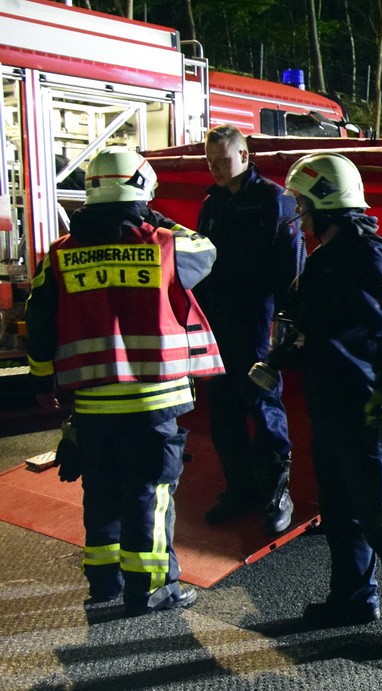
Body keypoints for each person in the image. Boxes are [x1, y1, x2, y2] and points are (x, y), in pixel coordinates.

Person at [25, 146, 224, 615]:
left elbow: (39, 323)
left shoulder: (59, 254)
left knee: (101, 489)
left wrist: (43, 384)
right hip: (154, 398)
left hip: (91, 403)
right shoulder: (166, 244)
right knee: (150, 493)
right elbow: (208, 250)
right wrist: (150, 217)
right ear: (141, 189)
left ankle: (104, 581)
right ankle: (153, 587)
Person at [256, 152, 382, 651]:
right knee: (339, 509)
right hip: (331, 401)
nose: (298, 214)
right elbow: (313, 327)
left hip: (366, 404)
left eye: (302, 203)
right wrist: (282, 355)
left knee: (378, 510)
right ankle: (353, 599)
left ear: (325, 203)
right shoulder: (322, 260)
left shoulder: (366, 255)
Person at [195, 124, 304, 536]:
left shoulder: (275, 200)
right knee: (223, 410)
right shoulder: (213, 203)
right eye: (211, 162)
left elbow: (293, 268)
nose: (217, 169)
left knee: (263, 402)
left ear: (244, 156)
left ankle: (278, 493)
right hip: (219, 321)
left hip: (259, 319)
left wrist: (287, 323)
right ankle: (239, 488)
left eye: (223, 160)